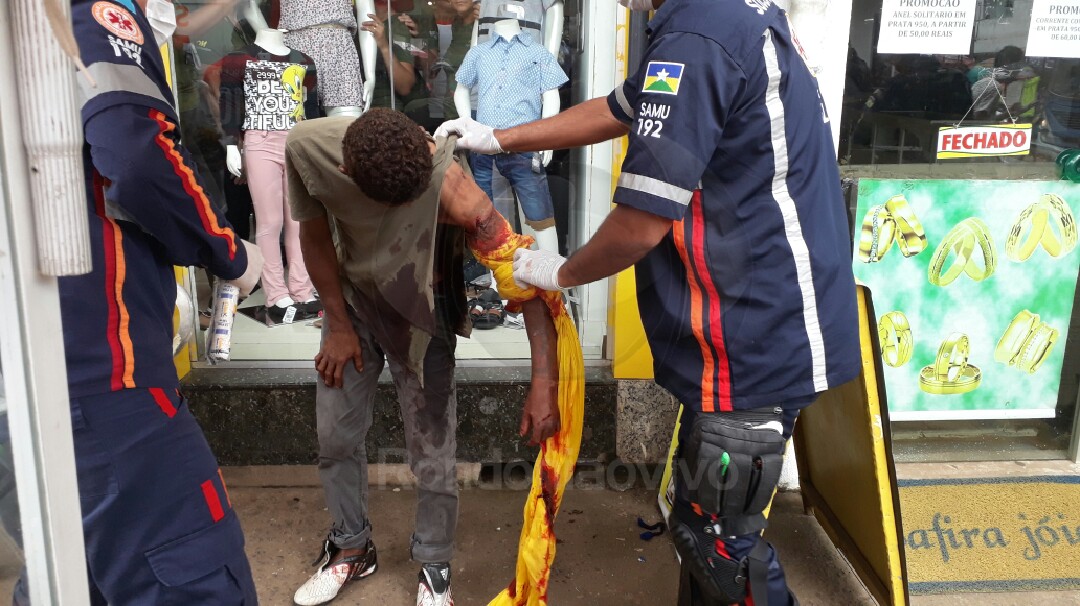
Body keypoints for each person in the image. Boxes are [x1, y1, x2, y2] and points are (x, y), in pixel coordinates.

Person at [438, 0, 862, 601]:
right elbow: (618, 109)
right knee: (698, 521)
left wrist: (561, 271)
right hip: (752, 322)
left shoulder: (699, 33)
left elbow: (640, 226)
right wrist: (496, 137)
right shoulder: (715, 19)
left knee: (719, 545)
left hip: (754, 334)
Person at [285, 109, 560, 606]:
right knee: (335, 434)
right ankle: (351, 547)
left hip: (423, 312)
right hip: (352, 306)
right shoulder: (308, 148)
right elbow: (314, 236)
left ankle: (435, 564)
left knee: (433, 447)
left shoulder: (455, 189)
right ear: (346, 172)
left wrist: (545, 383)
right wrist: (338, 324)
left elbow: (524, 279)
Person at [60, 0, 263, 602]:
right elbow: (137, 154)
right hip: (105, 374)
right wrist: (228, 250)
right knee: (196, 576)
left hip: (37, 377)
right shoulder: (87, 11)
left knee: (70, 576)